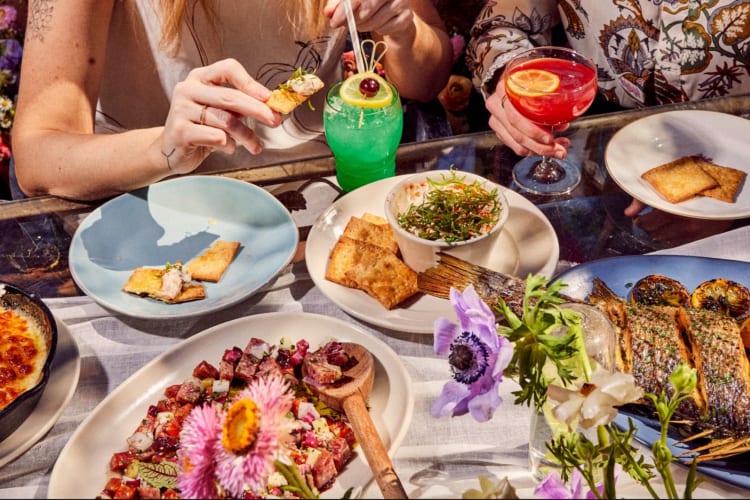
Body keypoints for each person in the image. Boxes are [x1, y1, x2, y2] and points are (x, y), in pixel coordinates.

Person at [11, 0, 452, 201]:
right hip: (154, 208)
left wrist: (402, 30)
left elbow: (426, 81)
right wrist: (161, 149)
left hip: (319, 199)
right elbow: (37, 156)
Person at [465, 0, 750, 217]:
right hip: (595, 163)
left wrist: (725, 205)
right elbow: (502, 24)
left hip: (739, 163)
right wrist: (507, 74)